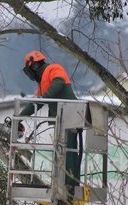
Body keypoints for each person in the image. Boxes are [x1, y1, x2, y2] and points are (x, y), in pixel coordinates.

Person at [20, 50, 80, 189]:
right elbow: (36, 103)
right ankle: (63, 182)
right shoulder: (43, 82)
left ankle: (70, 185)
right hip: (62, 119)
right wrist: (20, 118)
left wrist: (45, 97)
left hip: (70, 116)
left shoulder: (53, 68)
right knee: (61, 151)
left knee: (69, 151)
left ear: (33, 67)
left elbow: (58, 83)